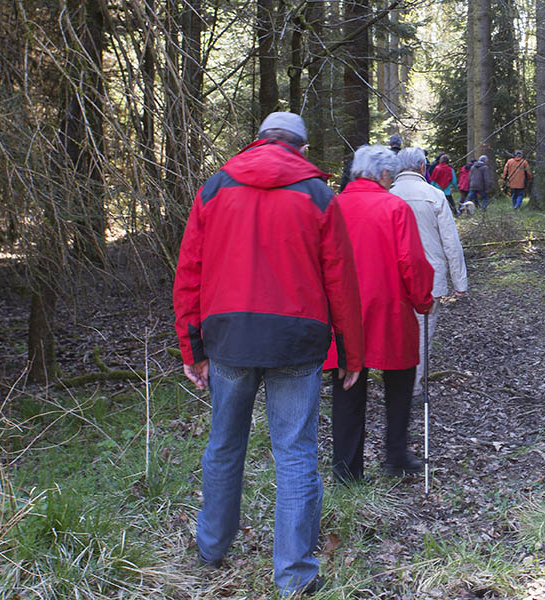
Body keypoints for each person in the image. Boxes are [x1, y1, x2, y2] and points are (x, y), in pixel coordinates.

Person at [173, 112, 365, 596]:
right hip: (297, 341)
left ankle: (212, 547)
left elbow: (189, 273)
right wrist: (351, 353)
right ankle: (295, 578)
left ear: (257, 141)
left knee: (223, 444)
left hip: (228, 338)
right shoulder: (319, 194)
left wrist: (192, 347)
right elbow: (340, 280)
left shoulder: (215, 189)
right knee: (296, 455)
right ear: (300, 149)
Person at [324, 145, 435, 483]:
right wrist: (423, 300)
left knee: (347, 390)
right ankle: (396, 454)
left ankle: (346, 470)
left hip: (342, 314)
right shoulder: (393, 207)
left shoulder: (332, 206)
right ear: (385, 175)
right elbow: (411, 262)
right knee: (399, 384)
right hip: (389, 310)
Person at [391, 148, 468, 400]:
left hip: (394, 277)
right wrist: (459, 282)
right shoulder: (434, 196)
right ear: (423, 167)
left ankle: (399, 379)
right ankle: (413, 384)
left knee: (396, 328)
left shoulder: (387, 195)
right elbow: (450, 242)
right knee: (424, 330)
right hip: (429, 277)